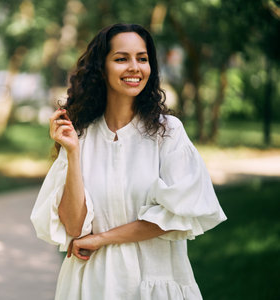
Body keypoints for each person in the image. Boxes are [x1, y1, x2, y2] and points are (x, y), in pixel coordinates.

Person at [30, 23, 226, 300]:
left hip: (155, 283)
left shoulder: (168, 132)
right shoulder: (81, 134)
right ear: (102, 68)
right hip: (92, 283)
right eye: (122, 58)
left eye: (142, 58)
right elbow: (74, 227)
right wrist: (72, 152)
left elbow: (176, 216)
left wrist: (101, 238)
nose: (134, 67)